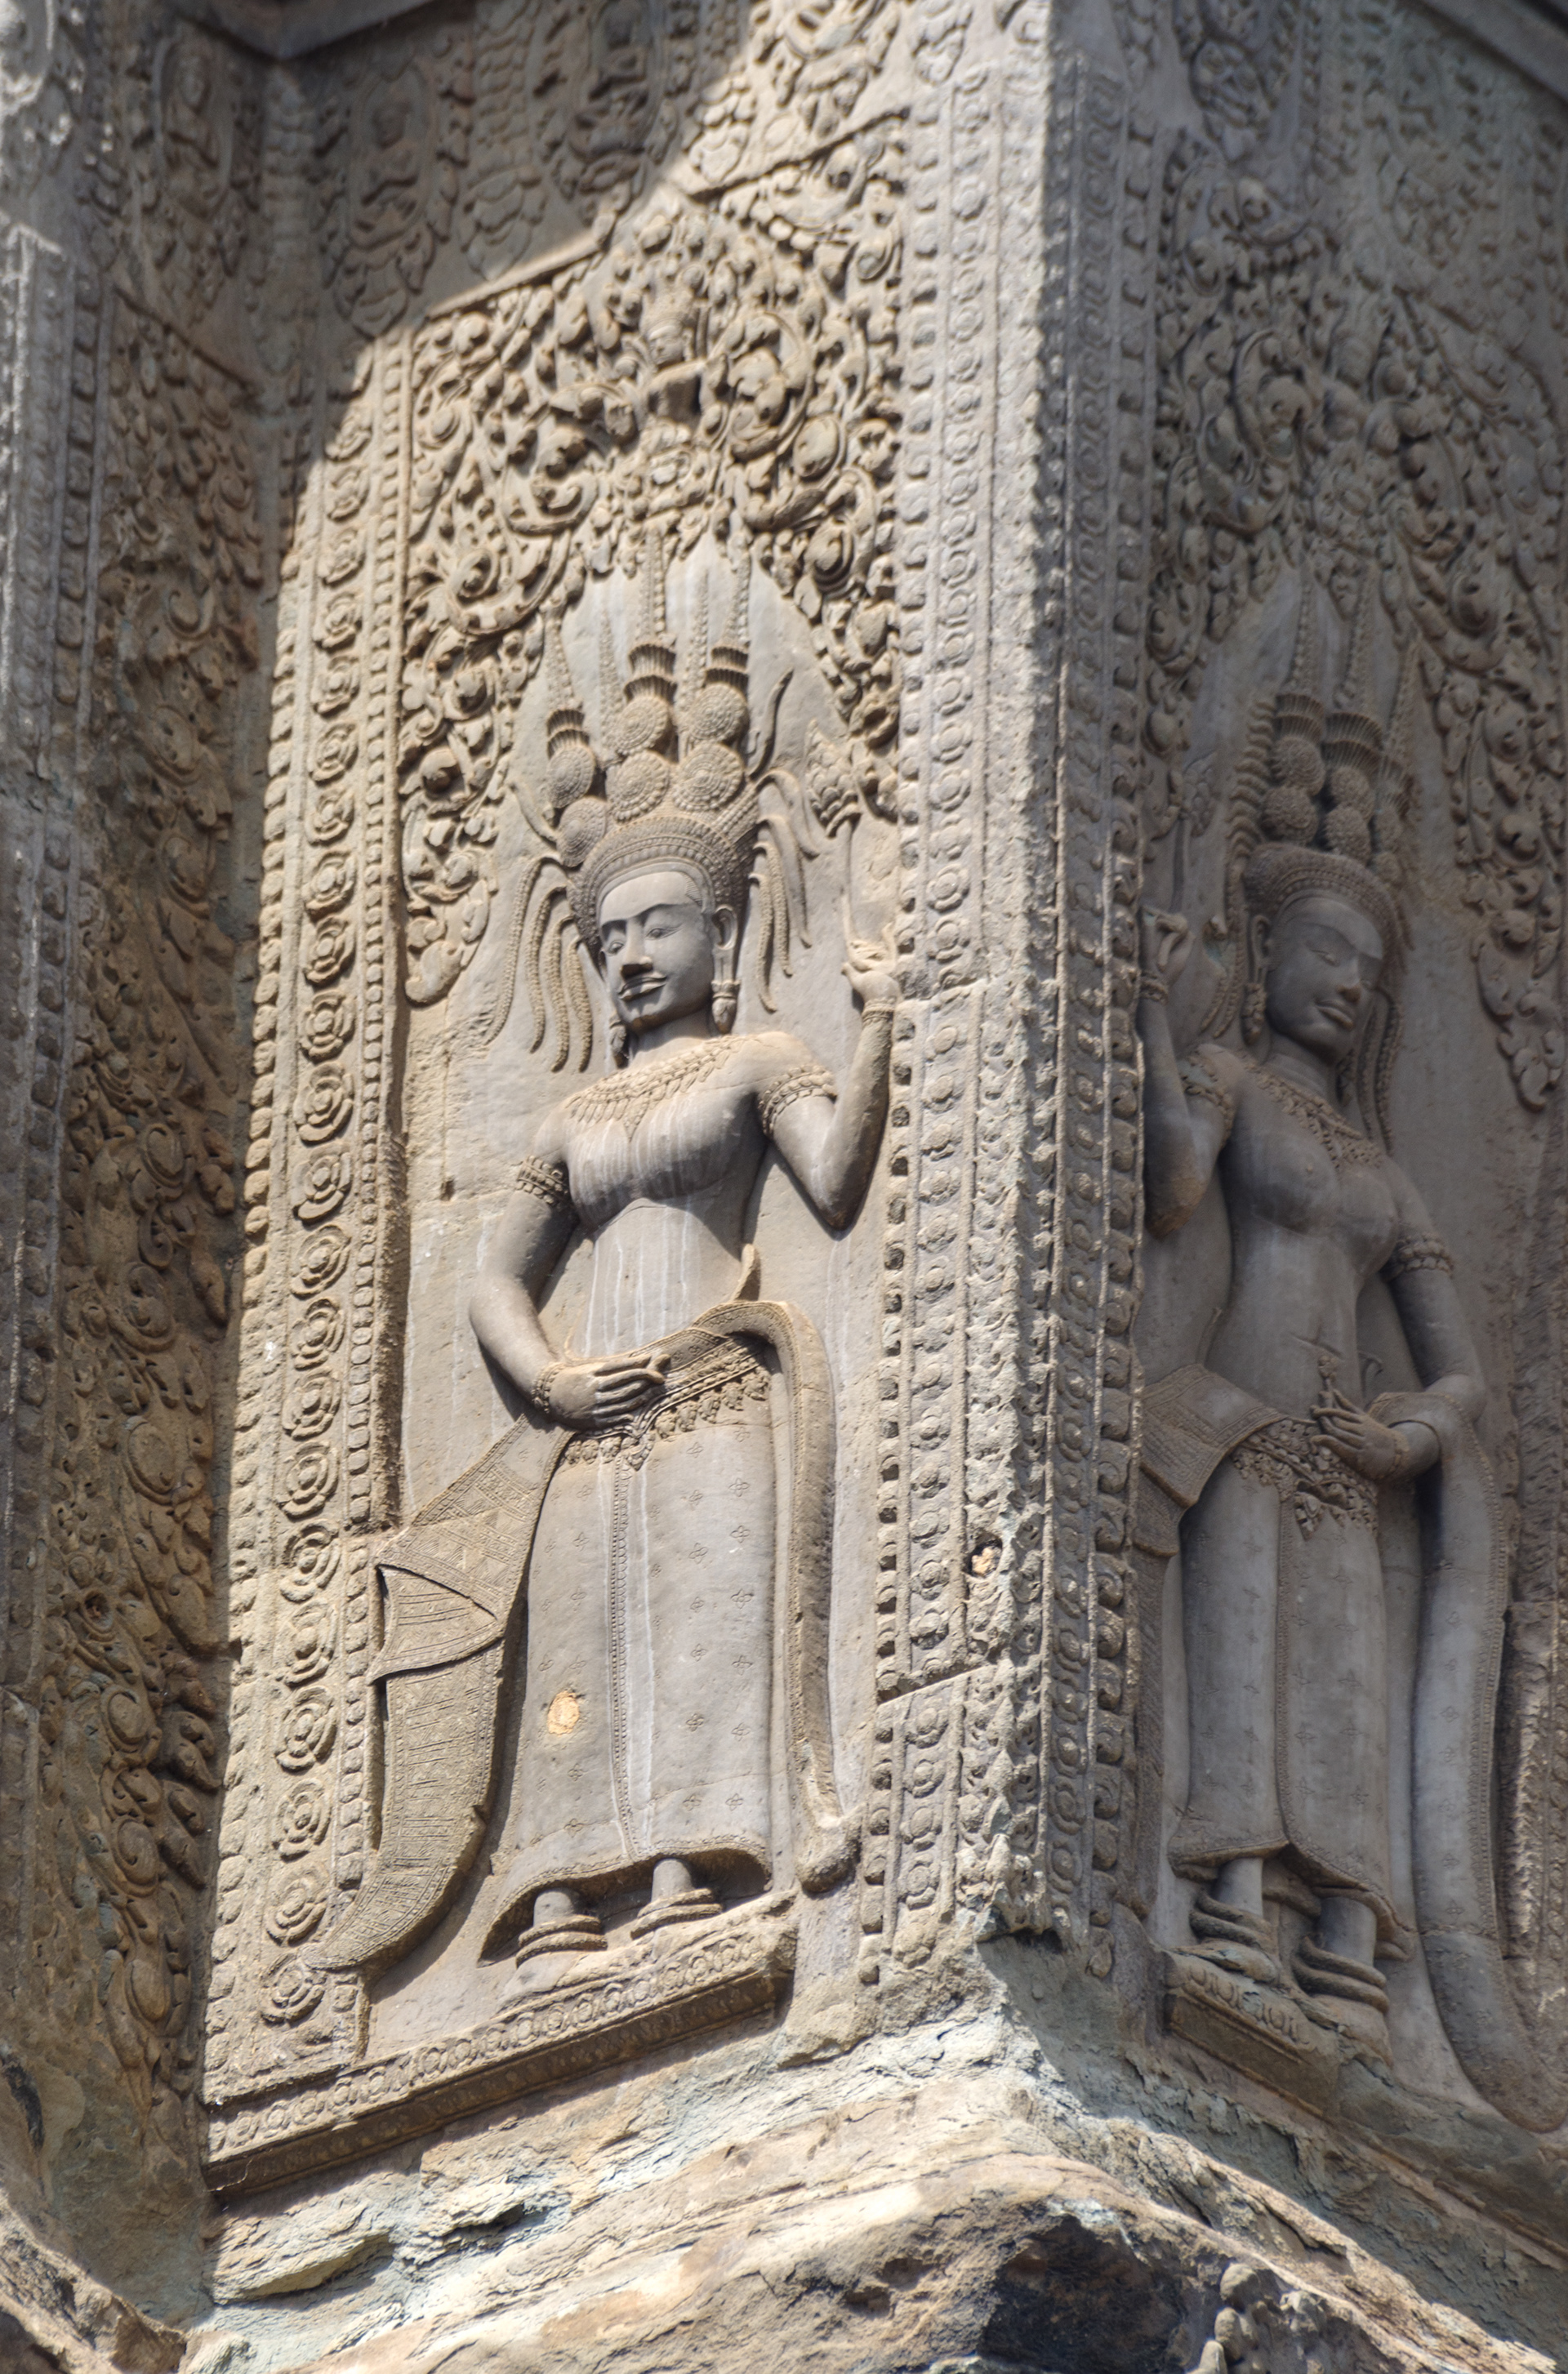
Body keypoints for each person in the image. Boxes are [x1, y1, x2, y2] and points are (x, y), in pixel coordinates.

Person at [319, 540, 893, 1982]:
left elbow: (835, 1180)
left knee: (699, 1624)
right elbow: (493, 1282)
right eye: (611, 936)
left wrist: (884, 1023)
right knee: (579, 1636)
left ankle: (695, 1864)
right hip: (593, 1412)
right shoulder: (573, 1119)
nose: (631, 956)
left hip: (711, 1389)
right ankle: (562, 1894)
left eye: (658, 929)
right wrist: (552, 1382)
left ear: (720, 931)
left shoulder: (759, 1061)